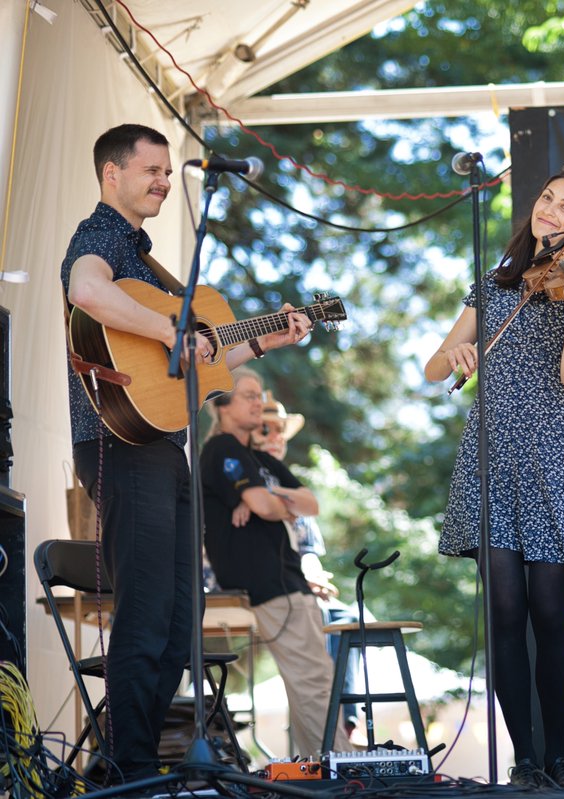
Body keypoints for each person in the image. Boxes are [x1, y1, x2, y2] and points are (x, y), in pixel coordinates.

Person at [61, 123, 310, 781]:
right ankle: (128, 770)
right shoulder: (102, 236)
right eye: (153, 171)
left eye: (170, 173)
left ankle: (138, 762)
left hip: (165, 446)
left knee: (180, 615)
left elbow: (205, 356)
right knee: (145, 615)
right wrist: (174, 329)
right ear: (112, 174)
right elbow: (86, 290)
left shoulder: (150, 265)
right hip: (121, 442)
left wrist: (270, 339)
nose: (166, 183)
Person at [423, 164, 564, 788]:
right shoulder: (494, 285)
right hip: (492, 453)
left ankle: (559, 755)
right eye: (547, 200)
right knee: (505, 610)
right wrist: (455, 355)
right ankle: (523, 759)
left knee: (548, 610)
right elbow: (435, 367)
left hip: (553, 456)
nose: (550, 212)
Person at [200, 369, 352, 756]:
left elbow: (310, 504)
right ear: (221, 404)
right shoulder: (223, 450)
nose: (258, 403)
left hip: (284, 578)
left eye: (260, 396)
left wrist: (263, 496)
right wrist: (268, 502)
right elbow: (271, 507)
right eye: (249, 396)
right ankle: (339, 766)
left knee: (310, 680)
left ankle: (319, 768)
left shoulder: (253, 458)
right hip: (265, 579)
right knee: (315, 679)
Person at [249, 391, 369, 746]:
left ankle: (342, 723)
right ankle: (326, 733)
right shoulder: (240, 480)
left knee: (347, 616)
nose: (275, 438)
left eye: (280, 431)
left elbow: (309, 551)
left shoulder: (292, 489)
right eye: (266, 430)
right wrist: (303, 578)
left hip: (291, 588)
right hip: (251, 590)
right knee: (318, 614)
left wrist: (312, 574)